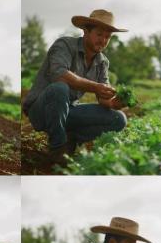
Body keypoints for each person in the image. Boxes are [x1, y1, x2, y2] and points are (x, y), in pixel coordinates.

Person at [22, 9, 128, 162]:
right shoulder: (64, 44)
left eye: (107, 37)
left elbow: (103, 98)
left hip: (68, 111)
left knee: (119, 119)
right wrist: (96, 87)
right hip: (42, 111)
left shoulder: (102, 62)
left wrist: (113, 102)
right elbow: (60, 75)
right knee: (60, 87)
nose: (103, 40)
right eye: (99, 34)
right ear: (86, 31)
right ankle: (58, 148)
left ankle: (71, 139)